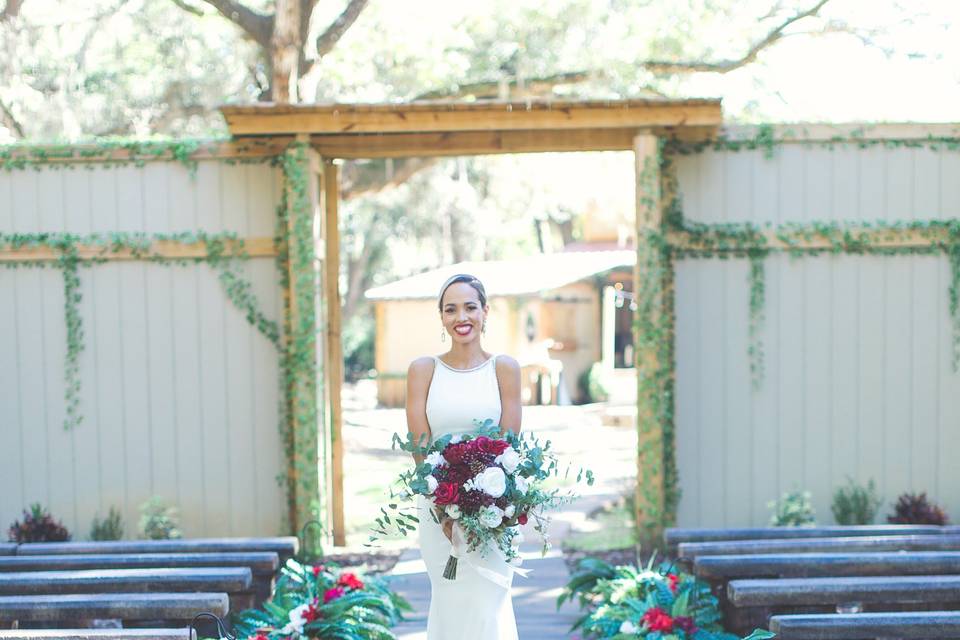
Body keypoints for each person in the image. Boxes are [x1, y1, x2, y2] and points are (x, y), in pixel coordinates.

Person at [405, 273, 523, 640]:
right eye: (451, 309)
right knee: (451, 598)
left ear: (485, 312)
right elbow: (420, 447)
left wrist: (492, 505)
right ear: (441, 317)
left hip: (495, 511)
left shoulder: (504, 368)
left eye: (470, 307)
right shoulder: (424, 370)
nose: (462, 318)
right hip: (438, 509)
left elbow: (510, 445)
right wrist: (445, 508)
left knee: (490, 602)